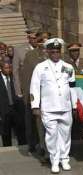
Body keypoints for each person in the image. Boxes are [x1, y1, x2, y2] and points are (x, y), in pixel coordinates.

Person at [30, 38, 76, 173]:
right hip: (49, 108)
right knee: (51, 136)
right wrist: (35, 106)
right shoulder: (41, 67)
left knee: (66, 134)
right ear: (48, 52)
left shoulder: (68, 67)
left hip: (65, 107)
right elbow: (34, 87)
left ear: (60, 52)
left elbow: (73, 87)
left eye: (58, 51)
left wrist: (74, 105)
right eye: (53, 52)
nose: (55, 54)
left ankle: (65, 159)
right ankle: (54, 160)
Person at [23, 31, 50, 162]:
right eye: (41, 40)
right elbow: (27, 78)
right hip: (39, 98)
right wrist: (30, 100)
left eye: (46, 40)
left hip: (54, 98)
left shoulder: (55, 54)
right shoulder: (30, 56)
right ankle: (45, 150)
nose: (44, 42)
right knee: (41, 126)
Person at [0, 61, 26, 146]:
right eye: (6, 68)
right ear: (1, 69)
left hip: (16, 109)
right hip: (4, 110)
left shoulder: (14, 78)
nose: (8, 70)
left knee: (20, 129)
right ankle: (7, 148)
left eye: (10, 68)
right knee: (6, 132)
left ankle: (23, 146)